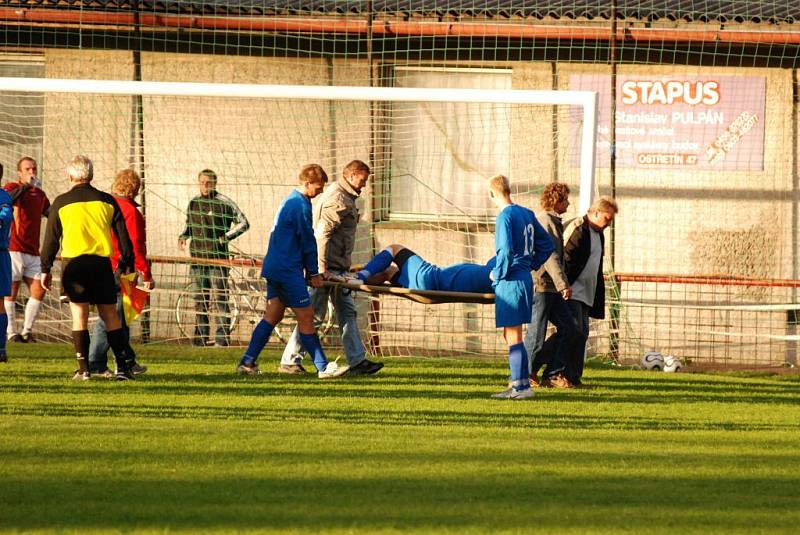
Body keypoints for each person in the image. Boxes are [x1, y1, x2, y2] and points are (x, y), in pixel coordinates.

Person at [236, 164, 348, 379]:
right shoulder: (300, 206)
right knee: (306, 317)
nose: (321, 191)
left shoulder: (289, 201)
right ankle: (323, 367)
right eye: (318, 186)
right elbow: (307, 241)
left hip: (274, 266)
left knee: (272, 315)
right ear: (306, 183)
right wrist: (314, 273)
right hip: (288, 269)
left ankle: (247, 362)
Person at [280, 160, 384, 375]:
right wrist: (319, 269)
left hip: (338, 269)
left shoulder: (347, 197)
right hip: (326, 271)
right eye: (363, 180)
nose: (364, 185)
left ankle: (357, 362)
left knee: (348, 313)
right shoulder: (337, 198)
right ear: (352, 175)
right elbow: (321, 235)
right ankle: (290, 360)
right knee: (314, 316)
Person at [40, 155, 137, 380]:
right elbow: (124, 238)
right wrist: (128, 265)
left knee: (79, 316)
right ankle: (123, 368)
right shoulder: (107, 201)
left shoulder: (61, 202)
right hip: (101, 264)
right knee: (110, 315)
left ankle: (84, 370)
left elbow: (51, 240)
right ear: (90, 175)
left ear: (70, 175)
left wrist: (45, 268)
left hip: (74, 265)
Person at [487, 174, 554, 400]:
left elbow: (504, 251)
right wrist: (530, 265)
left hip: (511, 280)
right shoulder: (526, 213)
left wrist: (498, 273)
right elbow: (547, 245)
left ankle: (521, 387)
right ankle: (521, 384)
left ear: (492, 193)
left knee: (514, 336)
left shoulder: (504, 216)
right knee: (511, 334)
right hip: (524, 278)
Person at [87, 169, 153, 378]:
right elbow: (135, 245)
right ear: (135, 188)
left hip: (101, 264)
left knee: (118, 317)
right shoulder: (130, 212)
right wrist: (146, 273)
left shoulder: (105, 206)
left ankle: (128, 360)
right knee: (112, 316)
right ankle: (96, 362)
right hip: (122, 269)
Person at [178, 169, 249, 347]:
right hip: (197, 259)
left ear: (215, 184)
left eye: (208, 183)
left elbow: (244, 223)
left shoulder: (224, 203)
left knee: (220, 299)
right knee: (200, 299)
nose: (205, 186)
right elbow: (189, 225)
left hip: (218, 260)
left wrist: (225, 237)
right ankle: (200, 338)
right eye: (202, 182)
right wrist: (184, 236)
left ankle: (221, 339)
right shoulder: (194, 202)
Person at [523, 182, 579, 389]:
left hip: (552, 287)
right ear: (556, 200)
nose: (569, 203)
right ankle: (524, 373)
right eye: (565, 199)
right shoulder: (545, 221)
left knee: (570, 329)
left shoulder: (553, 220)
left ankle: (552, 373)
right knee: (536, 332)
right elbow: (550, 256)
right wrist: (562, 283)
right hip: (542, 285)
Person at [562, 195, 618, 387]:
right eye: (607, 219)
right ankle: (555, 371)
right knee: (575, 332)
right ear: (595, 212)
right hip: (571, 291)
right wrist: (563, 285)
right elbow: (564, 257)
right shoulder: (578, 228)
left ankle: (573, 376)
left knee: (581, 333)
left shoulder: (598, 234)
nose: (608, 224)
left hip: (586, 293)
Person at [3, 157, 50, 343]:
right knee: (10, 291)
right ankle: (11, 332)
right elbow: (8, 199)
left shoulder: (40, 194)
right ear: (20, 172)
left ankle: (26, 331)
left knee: (39, 289)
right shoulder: (12, 187)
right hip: (14, 247)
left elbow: (50, 212)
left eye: (34, 169)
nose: (32, 172)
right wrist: (26, 187)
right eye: (28, 169)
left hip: (33, 251)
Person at [347, 243, 496, 294]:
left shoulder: (498, 272)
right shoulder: (495, 275)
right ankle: (352, 278)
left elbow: (501, 258)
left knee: (394, 248)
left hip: (429, 278)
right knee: (389, 272)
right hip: (426, 284)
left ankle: (360, 277)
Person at [0, 163, 15, 362]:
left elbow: (4, 217)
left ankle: (1, 348)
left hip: (0, 254)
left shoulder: (4, 197)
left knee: (0, 304)